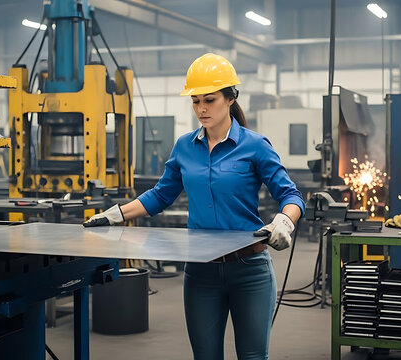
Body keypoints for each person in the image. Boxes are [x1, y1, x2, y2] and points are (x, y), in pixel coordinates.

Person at [84, 53, 305, 360]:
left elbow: (292, 196)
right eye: (195, 100)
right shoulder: (185, 147)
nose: (201, 108)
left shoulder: (255, 145)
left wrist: (284, 220)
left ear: (230, 99)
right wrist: (116, 214)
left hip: (250, 271)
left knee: (253, 357)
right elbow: (160, 195)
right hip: (201, 273)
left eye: (209, 100)